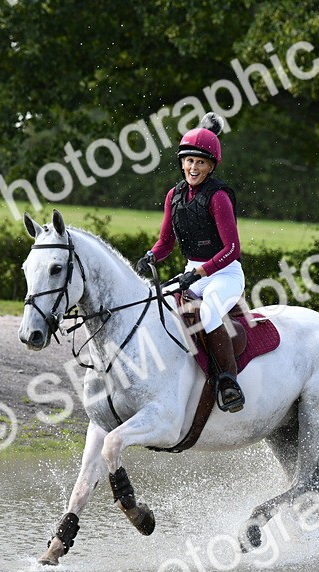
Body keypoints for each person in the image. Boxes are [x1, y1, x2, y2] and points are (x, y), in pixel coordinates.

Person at [136, 112, 245, 413]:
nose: (193, 168)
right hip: (193, 272)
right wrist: (150, 256)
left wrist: (199, 272)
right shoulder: (174, 195)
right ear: (182, 162)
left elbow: (232, 249)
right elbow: (165, 243)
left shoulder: (218, 197)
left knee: (208, 313)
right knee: (161, 307)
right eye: (189, 161)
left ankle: (228, 382)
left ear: (211, 167)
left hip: (225, 274)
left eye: (200, 163)